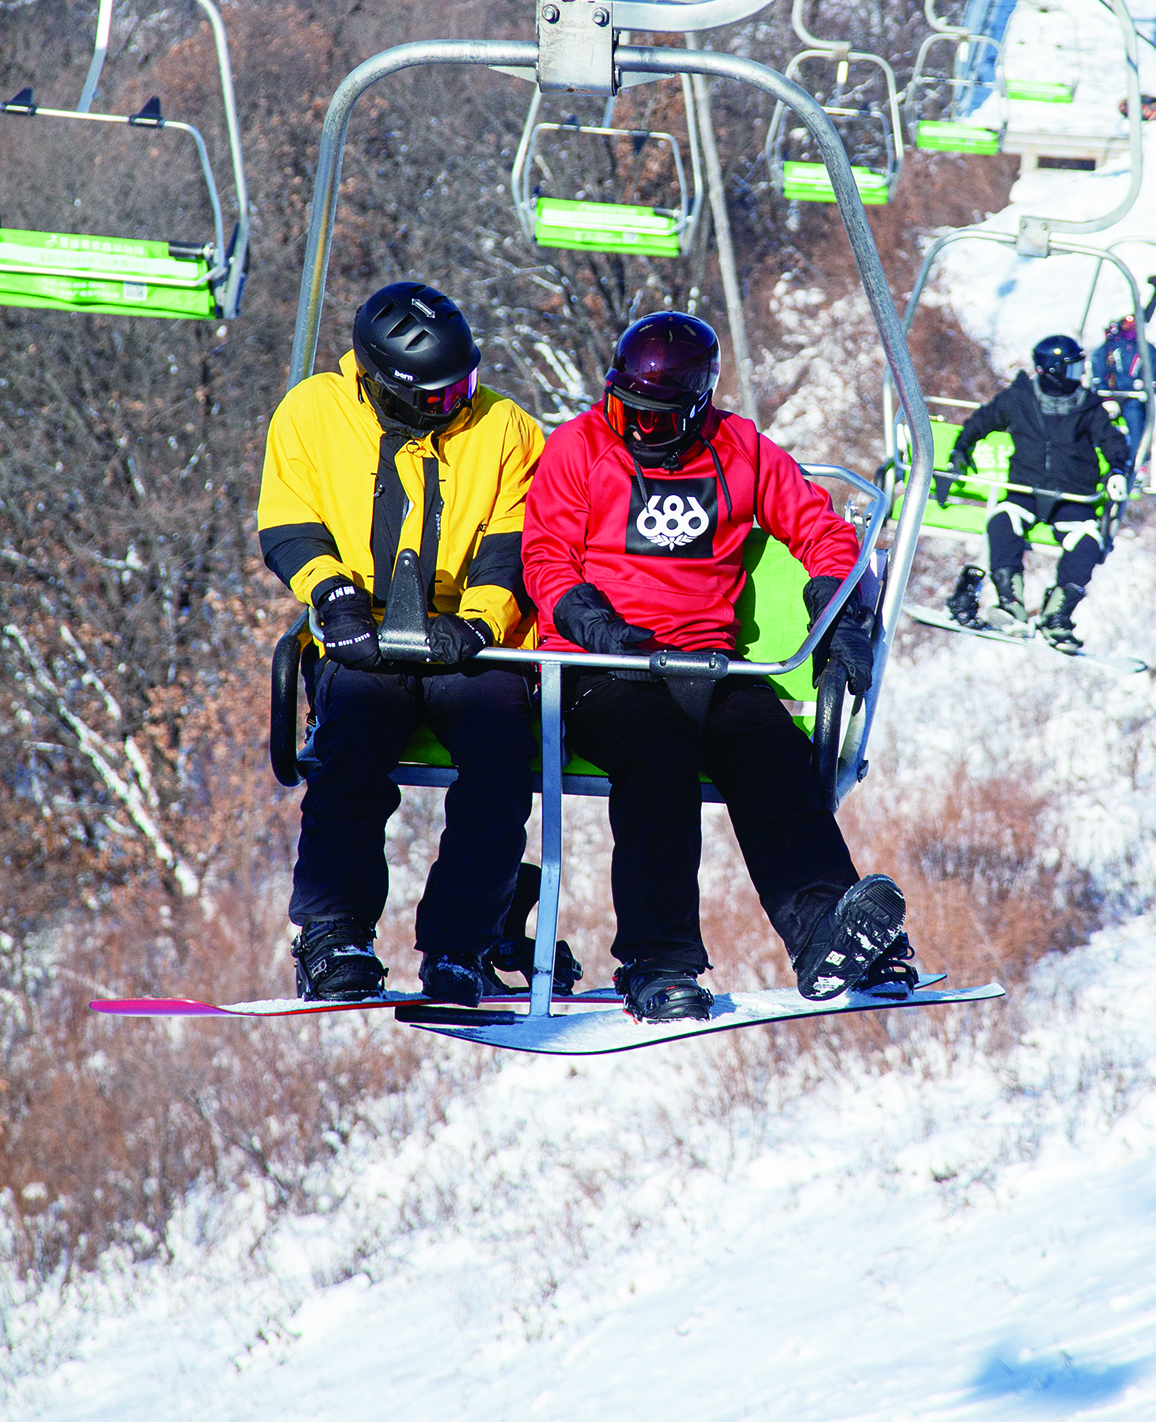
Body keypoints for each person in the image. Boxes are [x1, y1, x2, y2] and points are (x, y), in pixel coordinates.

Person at [519, 311, 908, 1026]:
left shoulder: (740, 449)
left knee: (773, 754)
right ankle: (657, 961)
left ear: (696, 410)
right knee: (658, 756)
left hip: (707, 663)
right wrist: (588, 619)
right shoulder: (580, 446)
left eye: (656, 422)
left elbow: (820, 529)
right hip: (602, 666)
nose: (635, 429)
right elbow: (544, 554)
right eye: (624, 412)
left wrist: (839, 606)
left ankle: (828, 934)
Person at [258, 282, 544, 1007]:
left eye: (467, 384)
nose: (461, 403)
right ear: (387, 385)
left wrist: (478, 622)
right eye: (441, 395)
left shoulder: (504, 429)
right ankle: (334, 934)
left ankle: (462, 944)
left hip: (466, 641)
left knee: (501, 753)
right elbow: (289, 520)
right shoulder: (313, 412)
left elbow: (517, 542)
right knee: (349, 742)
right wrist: (330, 592)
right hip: (367, 632)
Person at [936, 333, 1130, 651]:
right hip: (1024, 490)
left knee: (1087, 543)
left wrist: (1117, 470)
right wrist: (960, 450)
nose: (1078, 375)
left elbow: (1112, 441)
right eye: (1071, 368)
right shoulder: (1020, 399)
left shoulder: (1088, 406)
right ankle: (1011, 604)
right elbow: (981, 421)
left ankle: (1057, 615)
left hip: (1072, 497)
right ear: (1051, 370)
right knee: (1002, 522)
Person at [1090, 312, 1150, 462]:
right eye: (1126, 323)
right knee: (1102, 424)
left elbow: (1153, 370)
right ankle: (1108, 461)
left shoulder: (1143, 348)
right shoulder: (1107, 349)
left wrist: (1144, 386)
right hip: (1110, 395)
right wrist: (1106, 398)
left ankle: (1137, 462)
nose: (1129, 327)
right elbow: (1098, 373)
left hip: (1132, 397)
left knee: (1136, 420)